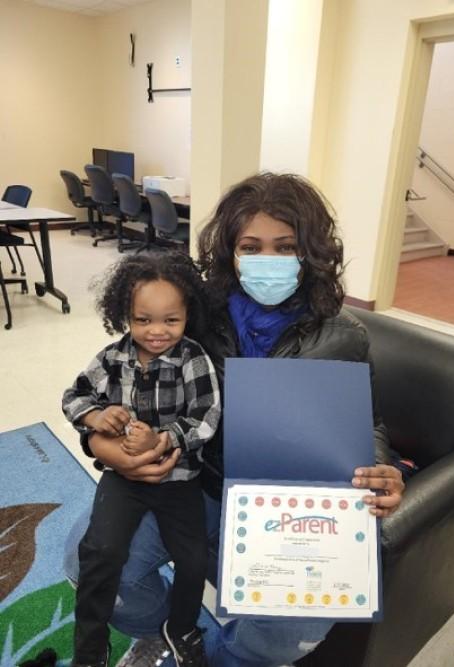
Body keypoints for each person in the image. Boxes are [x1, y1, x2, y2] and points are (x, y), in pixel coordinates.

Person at [64, 173, 407, 667]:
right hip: (193, 484)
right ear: (229, 251)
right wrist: (98, 444)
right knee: (84, 560)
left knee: (299, 625)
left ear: (310, 253)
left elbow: (365, 420)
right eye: (252, 246)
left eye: (286, 247)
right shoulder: (194, 313)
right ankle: (168, 637)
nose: (269, 260)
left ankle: (224, 659)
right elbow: (117, 387)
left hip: (286, 504)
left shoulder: (344, 335)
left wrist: (378, 468)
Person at [62, 252, 221, 667]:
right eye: (142, 319)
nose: (156, 332)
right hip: (123, 478)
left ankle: (181, 627)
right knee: (99, 550)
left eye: (171, 320)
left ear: (188, 315)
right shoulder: (113, 358)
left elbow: (207, 417)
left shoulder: (193, 359)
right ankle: (90, 649)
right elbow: (73, 396)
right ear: (124, 315)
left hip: (180, 478)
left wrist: (165, 438)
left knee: (192, 558)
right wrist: (97, 416)